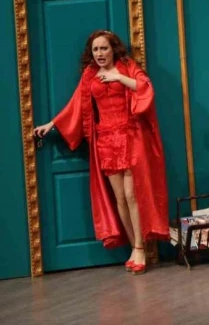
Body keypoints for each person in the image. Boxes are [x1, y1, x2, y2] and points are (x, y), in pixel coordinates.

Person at [33, 30, 169, 275]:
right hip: (105, 141)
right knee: (120, 198)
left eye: (104, 48)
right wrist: (51, 124)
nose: (99, 53)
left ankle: (141, 247)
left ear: (113, 49)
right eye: (95, 49)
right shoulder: (89, 75)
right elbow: (75, 104)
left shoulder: (127, 66)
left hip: (130, 136)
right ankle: (134, 246)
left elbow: (145, 87)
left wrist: (119, 77)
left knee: (132, 195)